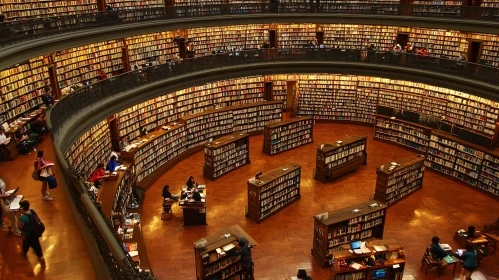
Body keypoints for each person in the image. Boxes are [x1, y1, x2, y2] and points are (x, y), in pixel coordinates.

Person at [18, 200, 45, 264]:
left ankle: (25, 253)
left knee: (27, 245)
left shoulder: (23, 218)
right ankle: (41, 258)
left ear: (22, 208)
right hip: (35, 233)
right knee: (36, 245)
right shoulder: (32, 211)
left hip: (28, 235)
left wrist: (19, 216)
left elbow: (20, 227)